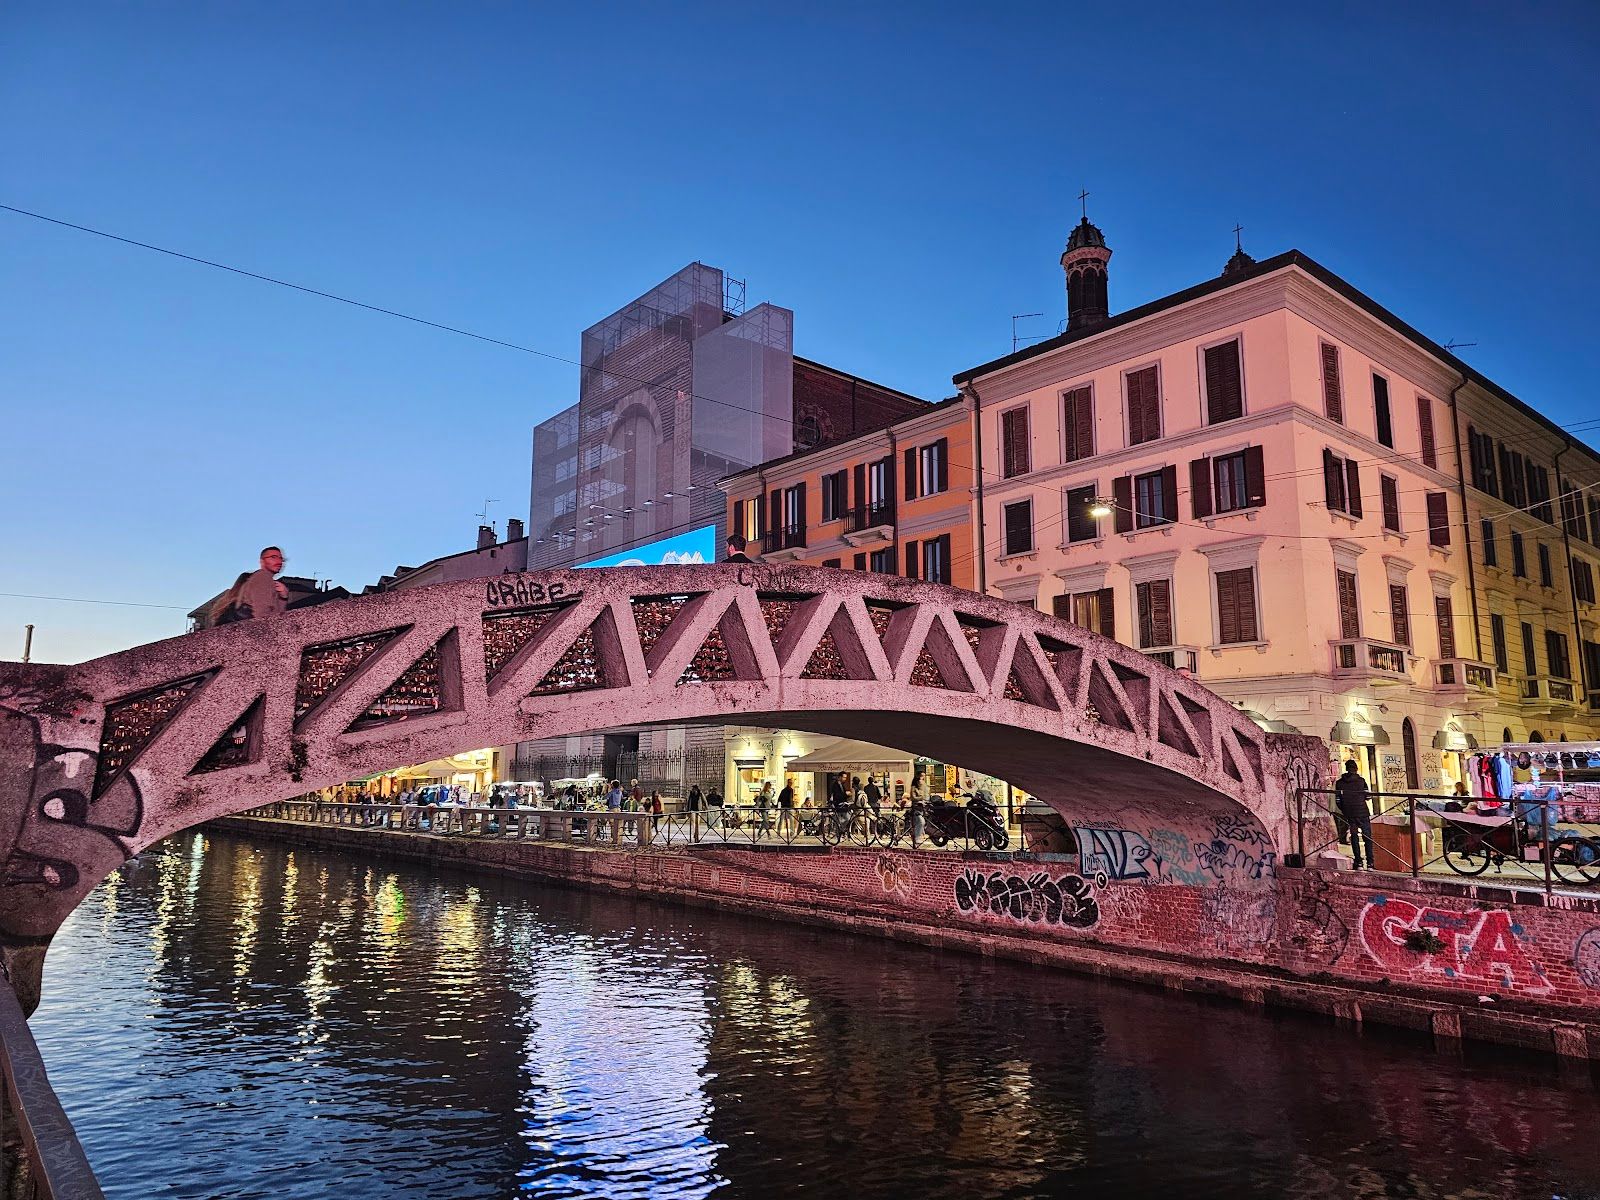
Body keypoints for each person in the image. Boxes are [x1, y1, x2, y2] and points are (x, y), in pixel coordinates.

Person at [1334, 760, 1375, 870]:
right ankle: (1370, 863)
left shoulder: (1339, 783)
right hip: (1363, 813)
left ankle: (1358, 862)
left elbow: (1338, 801)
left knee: (1354, 837)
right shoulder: (1361, 781)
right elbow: (1368, 797)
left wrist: (1345, 809)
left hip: (1349, 813)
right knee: (1367, 838)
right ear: (1356, 768)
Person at [235, 547, 290, 622]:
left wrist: (283, 597)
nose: (279, 561)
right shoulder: (263, 576)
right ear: (262, 561)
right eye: (273, 557)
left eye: (281, 559)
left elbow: (278, 614)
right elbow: (262, 615)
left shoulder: (265, 579)